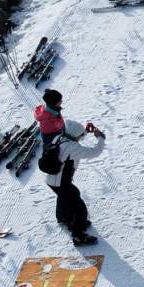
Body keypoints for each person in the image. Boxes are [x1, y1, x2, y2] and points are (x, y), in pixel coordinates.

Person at [36, 94, 106, 246]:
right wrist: (100, 138)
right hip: (61, 181)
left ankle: (63, 218)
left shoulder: (59, 137)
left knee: (68, 196)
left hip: (53, 180)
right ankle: (79, 235)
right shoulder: (72, 148)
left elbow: (75, 137)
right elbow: (94, 152)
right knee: (79, 207)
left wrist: (85, 131)